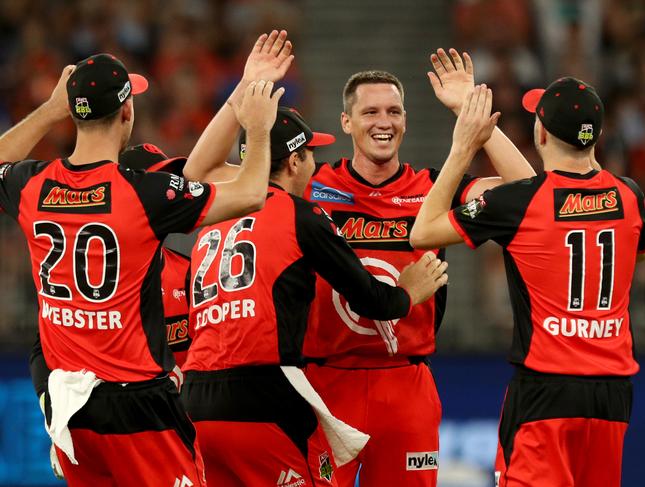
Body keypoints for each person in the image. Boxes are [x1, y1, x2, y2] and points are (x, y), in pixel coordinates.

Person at [182, 47, 536, 486]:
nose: (382, 122)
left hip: (406, 383)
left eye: (393, 111)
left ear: (406, 120)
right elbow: (199, 174)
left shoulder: (433, 188)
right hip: (325, 383)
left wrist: (471, 117)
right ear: (347, 122)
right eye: (369, 112)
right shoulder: (306, 185)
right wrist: (244, 93)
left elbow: (528, 195)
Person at [0, 50, 282, 486]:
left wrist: (51, 111)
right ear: (127, 111)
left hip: (72, 409)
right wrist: (259, 129)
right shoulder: (143, 192)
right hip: (138, 406)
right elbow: (249, 194)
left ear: (74, 114)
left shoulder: (32, 184)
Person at [181, 104, 448, 487]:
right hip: (266, 393)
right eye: (310, 154)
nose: (315, 166)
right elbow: (371, 300)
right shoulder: (301, 214)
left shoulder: (217, 215)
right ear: (294, 161)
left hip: (198, 401)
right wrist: (408, 291)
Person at [410, 79, 645, 487]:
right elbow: (548, 199)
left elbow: (423, 233)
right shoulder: (630, 196)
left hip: (545, 391)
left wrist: (463, 147)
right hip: (612, 394)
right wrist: (473, 111)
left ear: (539, 133)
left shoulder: (519, 203)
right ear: (598, 134)